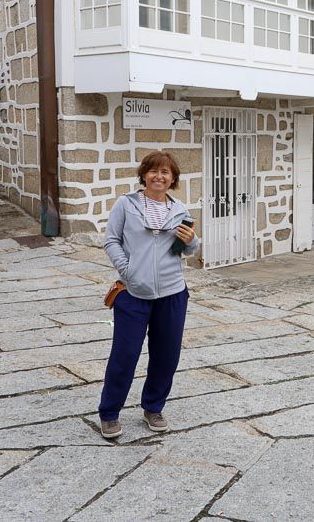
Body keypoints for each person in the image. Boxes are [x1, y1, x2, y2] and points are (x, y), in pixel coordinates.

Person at [98, 150, 199, 438]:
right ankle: (109, 413)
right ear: (144, 175)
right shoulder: (126, 204)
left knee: (167, 355)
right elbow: (111, 241)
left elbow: (190, 249)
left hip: (172, 293)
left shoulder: (180, 210)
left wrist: (193, 242)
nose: (159, 176)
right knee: (125, 354)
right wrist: (128, 270)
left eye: (166, 173)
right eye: (154, 171)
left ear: (173, 179)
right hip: (133, 293)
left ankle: (153, 407)